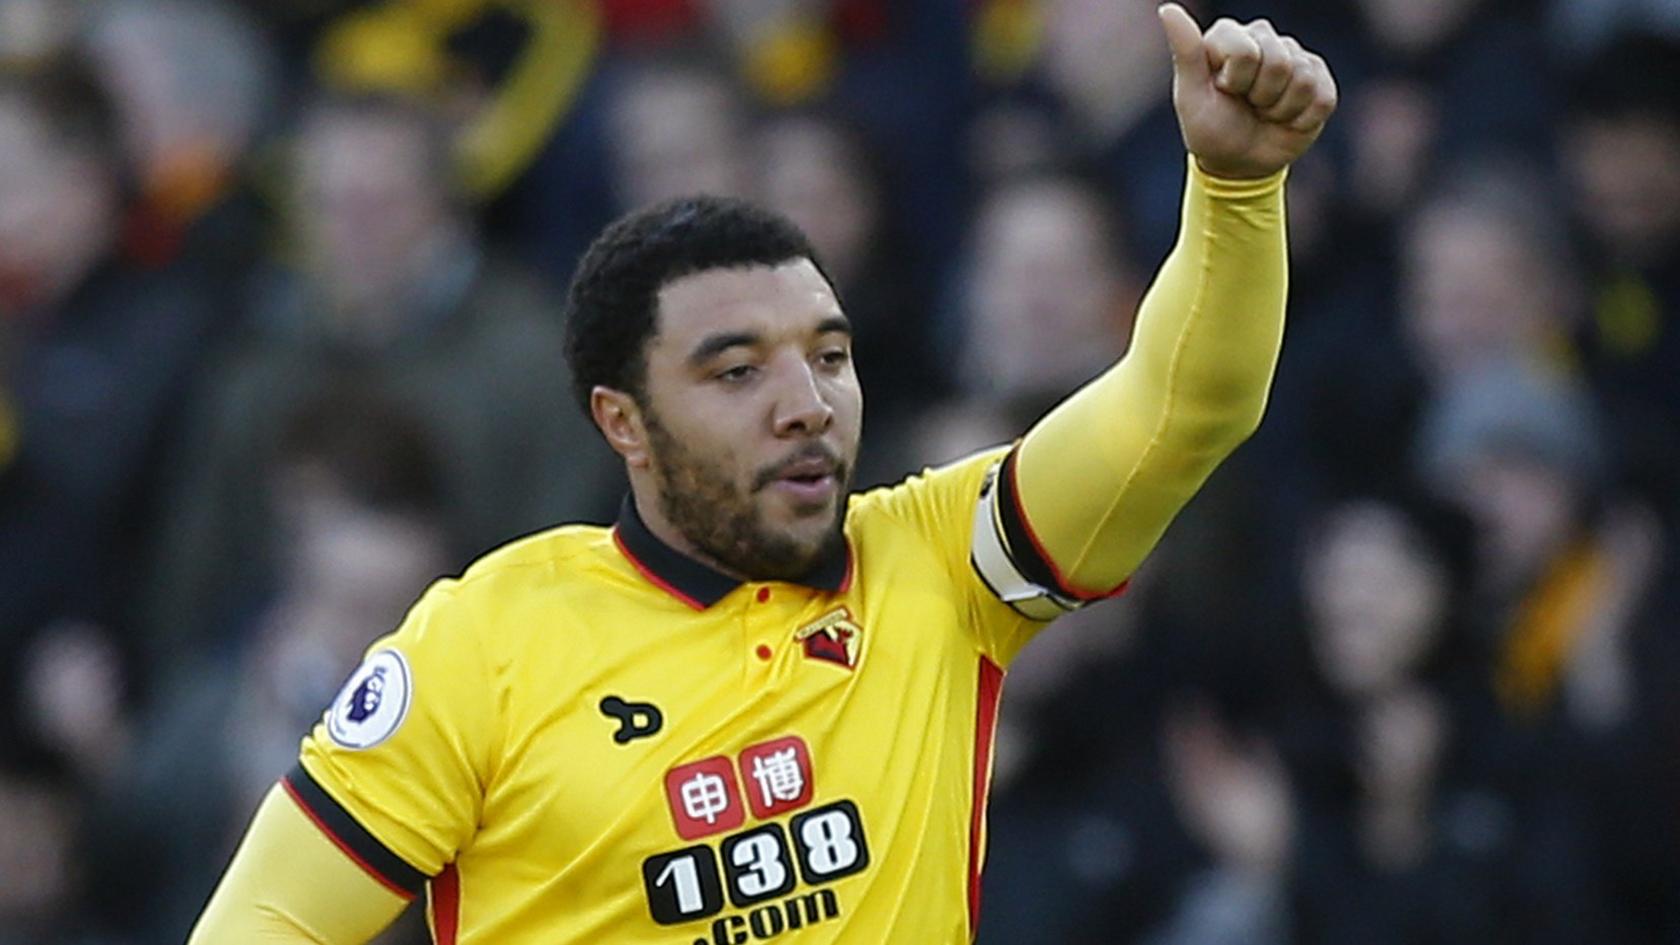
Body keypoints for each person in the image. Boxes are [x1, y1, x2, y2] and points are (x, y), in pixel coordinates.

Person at [189, 6, 1337, 942]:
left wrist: (1235, 192)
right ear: (623, 423)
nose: (806, 402)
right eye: (736, 371)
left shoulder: (941, 568)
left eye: (829, 356)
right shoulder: (483, 645)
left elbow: (1183, 409)